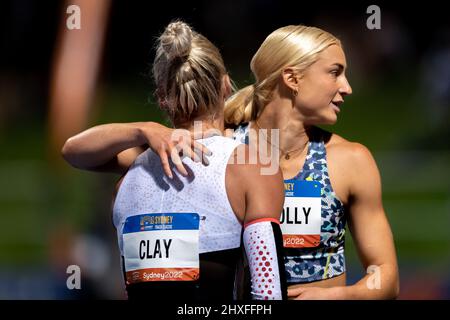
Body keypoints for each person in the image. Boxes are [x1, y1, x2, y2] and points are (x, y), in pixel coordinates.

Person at [63, 24, 399, 299]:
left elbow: (386, 279)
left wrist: (335, 297)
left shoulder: (350, 160)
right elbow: (78, 152)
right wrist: (145, 130)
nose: (348, 87)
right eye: (335, 73)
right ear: (292, 78)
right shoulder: (221, 149)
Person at [64, 21, 287, 301]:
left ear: (161, 98)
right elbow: (269, 293)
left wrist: (142, 129)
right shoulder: (252, 166)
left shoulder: (134, 170)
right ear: (226, 85)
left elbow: (73, 152)